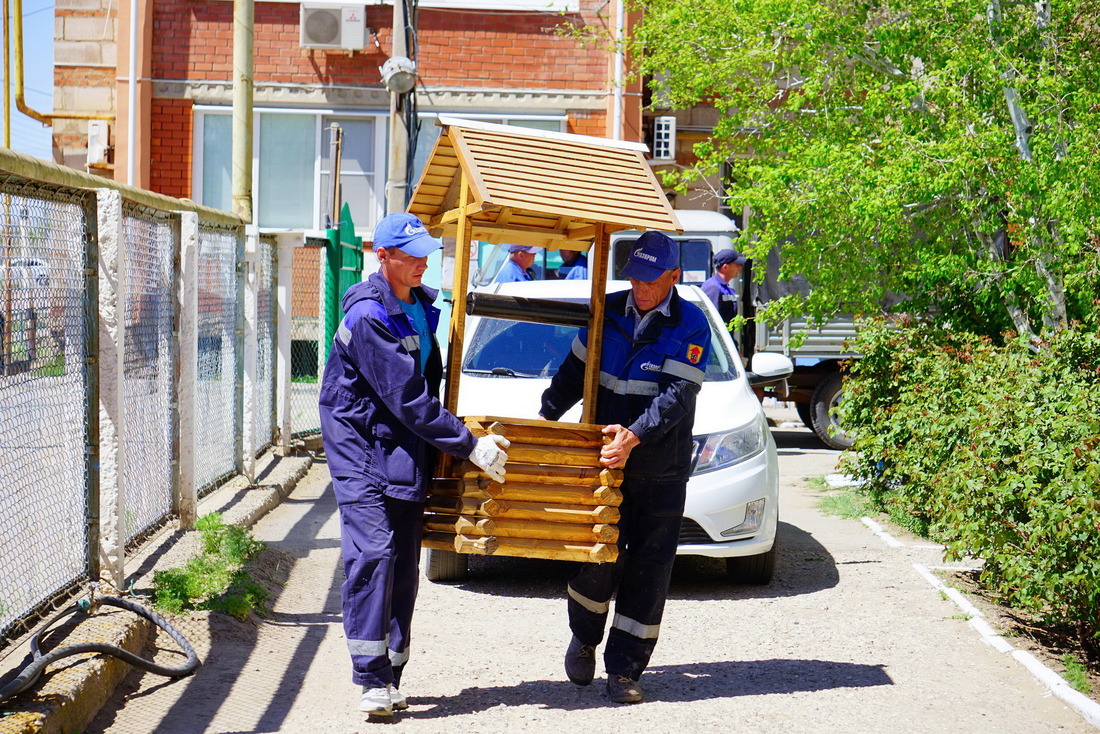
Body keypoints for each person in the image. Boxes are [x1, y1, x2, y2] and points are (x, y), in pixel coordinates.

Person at [318, 212, 511, 717]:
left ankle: (393, 670)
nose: (423, 262)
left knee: (404, 560)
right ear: (382, 258)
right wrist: (469, 444)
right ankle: (371, 678)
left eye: (427, 252)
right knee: (375, 553)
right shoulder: (368, 317)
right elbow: (407, 397)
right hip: (360, 445)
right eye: (411, 255)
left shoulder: (423, 307)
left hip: (403, 446)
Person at [539, 230, 712, 704]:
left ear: (674, 276)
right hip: (603, 465)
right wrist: (545, 418)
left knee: (649, 570)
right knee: (594, 558)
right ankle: (585, 638)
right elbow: (573, 374)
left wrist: (633, 437)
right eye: (634, 277)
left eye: (650, 280)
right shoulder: (607, 310)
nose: (640, 288)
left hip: (660, 468)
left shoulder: (692, 324)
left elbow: (677, 396)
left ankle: (624, 671)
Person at [700, 247, 746, 336]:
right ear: (726, 267)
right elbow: (713, 322)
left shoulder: (726, 288)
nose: (740, 268)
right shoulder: (713, 287)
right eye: (737, 265)